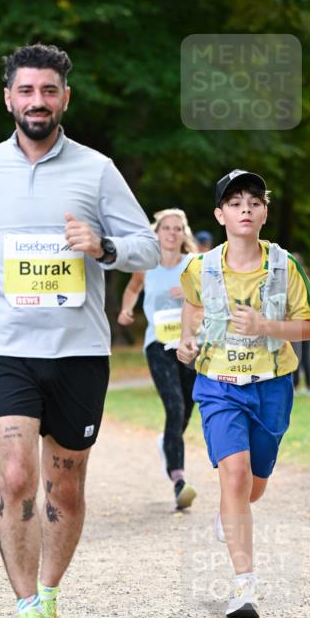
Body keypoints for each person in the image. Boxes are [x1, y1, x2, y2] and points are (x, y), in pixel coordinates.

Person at [0, 42, 160, 618]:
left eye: (49, 91)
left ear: (66, 97)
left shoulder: (96, 169)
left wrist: (104, 246)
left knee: (65, 486)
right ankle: (25, 613)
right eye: (27, 91)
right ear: (8, 97)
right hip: (3, 344)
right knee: (14, 477)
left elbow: (147, 245)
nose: (38, 102)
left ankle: (52, 594)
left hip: (77, 351)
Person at [177, 169, 310, 618]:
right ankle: (244, 586)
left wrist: (266, 327)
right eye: (235, 202)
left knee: (253, 485)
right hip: (219, 385)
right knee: (234, 476)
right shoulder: (200, 267)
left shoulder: (285, 266)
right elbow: (193, 304)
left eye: (254, 202)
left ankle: (230, 510)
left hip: (272, 386)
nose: (246, 208)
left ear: (264, 212)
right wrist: (186, 339)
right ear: (221, 214)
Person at [118, 208, 199, 510]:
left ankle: (167, 440)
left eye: (178, 228)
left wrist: (190, 294)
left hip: (190, 342)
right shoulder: (147, 264)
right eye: (167, 228)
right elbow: (133, 287)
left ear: (184, 234)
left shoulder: (194, 265)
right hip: (158, 344)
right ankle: (179, 480)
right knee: (175, 405)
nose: (172, 233)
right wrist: (127, 309)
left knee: (188, 405)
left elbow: (212, 300)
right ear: (157, 232)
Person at [291, 253, 310, 395]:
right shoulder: (307, 279)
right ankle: (308, 386)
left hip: (299, 323)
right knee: (304, 355)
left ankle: (296, 385)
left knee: (297, 355)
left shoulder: (295, 279)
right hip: (306, 322)